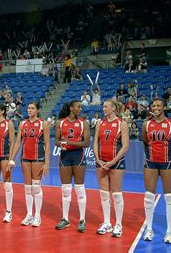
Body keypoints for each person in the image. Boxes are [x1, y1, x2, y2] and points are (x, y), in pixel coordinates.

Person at [142, 99, 171, 243]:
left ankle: (169, 232)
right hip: (151, 163)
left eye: (158, 105)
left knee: (169, 197)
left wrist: (170, 159)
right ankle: (149, 229)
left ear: (164, 107)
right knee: (148, 196)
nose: (156, 108)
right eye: (153, 106)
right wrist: (150, 157)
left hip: (167, 164)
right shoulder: (146, 124)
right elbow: (145, 142)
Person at [10, 102, 50, 227]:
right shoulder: (23, 123)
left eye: (32, 108)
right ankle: (29, 214)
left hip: (38, 158)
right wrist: (12, 158)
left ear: (37, 110)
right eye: (28, 108)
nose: (29, 110)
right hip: (25, 158)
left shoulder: (43, 124)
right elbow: (18, 142)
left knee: (36, 187)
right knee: (27, 188)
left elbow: (47, 145)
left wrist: (47, 162)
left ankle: (37, 216)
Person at [93, 99, 129, 238]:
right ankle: (107, 222)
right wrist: (97, 158)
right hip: (101, 162)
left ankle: (118, 224)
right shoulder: (99, 123)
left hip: (116, 162)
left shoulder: (122, 124)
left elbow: (125, 146)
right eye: (103, 106)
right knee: (103, 193)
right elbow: (95, 142)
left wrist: (113, 161)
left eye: (106, 106)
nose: (103, 108)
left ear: (113, 108)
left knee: (116, 193)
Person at [55, 100, 91, 232]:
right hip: (65, 156)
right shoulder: (60, 122)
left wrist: (69, 142)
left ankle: (82, 219)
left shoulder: (83, 123)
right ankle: (65, 219)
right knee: (65, 189)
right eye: (78, 107)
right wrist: (61, 144)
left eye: (81, 107)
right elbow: (56, 141)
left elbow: (86, 143)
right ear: (71, 108)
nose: (80, 109)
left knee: (80, 188)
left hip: (78, 156)